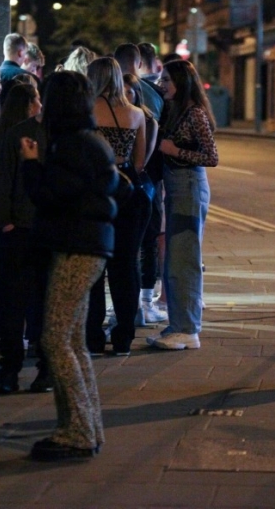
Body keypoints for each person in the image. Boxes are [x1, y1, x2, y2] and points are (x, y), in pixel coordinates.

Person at [20, 71, 117, 461]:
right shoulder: (88, 141)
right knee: (73, 340)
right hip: (88, 246)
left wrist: (30, 163)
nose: (40, 106)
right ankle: (84, 427)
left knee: (56, 338)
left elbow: (49, 195)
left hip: (78, 247)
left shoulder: (72, 146)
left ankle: (77, 431)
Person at [147, 59, 218, 351]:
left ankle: (187, 329)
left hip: (189, 186)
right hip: (177, 187)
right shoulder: (174, 111)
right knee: (175, 261)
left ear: (181, 83)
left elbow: (211, 157)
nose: (162, 85)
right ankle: (178, 325)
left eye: (166, 80)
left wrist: (174, 150)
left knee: (183, 261)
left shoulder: (195, 114)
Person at [0, 82, 51, 394]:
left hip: (28, 229)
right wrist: (6, 221)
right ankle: (34, 369)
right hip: (34, 229)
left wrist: (5, 221)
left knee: (19, 301)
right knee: (33, 302)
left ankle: (14, 370)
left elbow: (2, 179)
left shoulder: (21, 133)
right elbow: (4, 179)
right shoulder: (26, 133)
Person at [85, 57, 149, 356]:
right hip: (128, 193)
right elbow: (139, 161)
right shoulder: (136, 114)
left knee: (94, 264)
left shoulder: (87, 111)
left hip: (96, 192)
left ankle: (93, 336)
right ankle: (124, 335)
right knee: (126, 266)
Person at [123, 72, 166, 325]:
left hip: (143, 186)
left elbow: (143, 161)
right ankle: (130, 305)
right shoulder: (118, 117)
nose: (126, 97)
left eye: (130, 92)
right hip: (124, 186)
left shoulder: (147, 119)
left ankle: (146, 302)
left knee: (147, 242)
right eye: (123, 92)